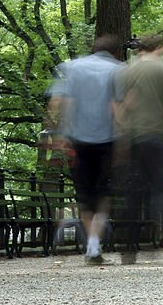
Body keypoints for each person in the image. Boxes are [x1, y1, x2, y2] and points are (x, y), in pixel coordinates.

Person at [48, 34, 125, 265]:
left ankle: (92, 246)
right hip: (107, 140)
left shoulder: (72, 68)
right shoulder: (119, 70)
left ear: (94, 49)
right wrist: (125, 136)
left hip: (77, 140)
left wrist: (60, 133)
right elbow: (117, 107)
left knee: (84, 194)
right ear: (116, 52)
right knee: (103, 193)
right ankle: (93, 243)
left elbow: (58, 101)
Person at [112, 34, 163, 265]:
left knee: (132, 191)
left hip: (133, 139)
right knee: (158, 190)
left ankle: (129, 245)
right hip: (155, 137)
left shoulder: (126, 72)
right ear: (159, 47)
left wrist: (121, 129)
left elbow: (118, 105)